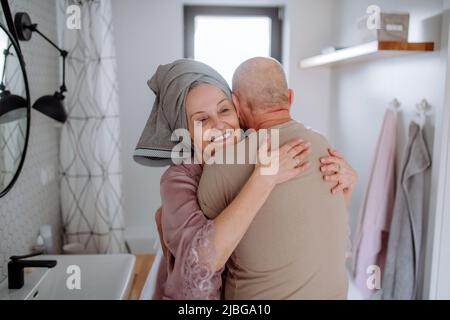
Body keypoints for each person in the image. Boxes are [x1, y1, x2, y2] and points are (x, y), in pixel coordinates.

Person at [134, 59, 357, 299]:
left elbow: (303, 227)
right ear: (183, 131)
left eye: (224, 110)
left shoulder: (260, 149)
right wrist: (262, 179)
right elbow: (199, 263)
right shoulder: (178, 179)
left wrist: (345, 186)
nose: (219, 126)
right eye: (201, 120)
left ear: (237, 109)